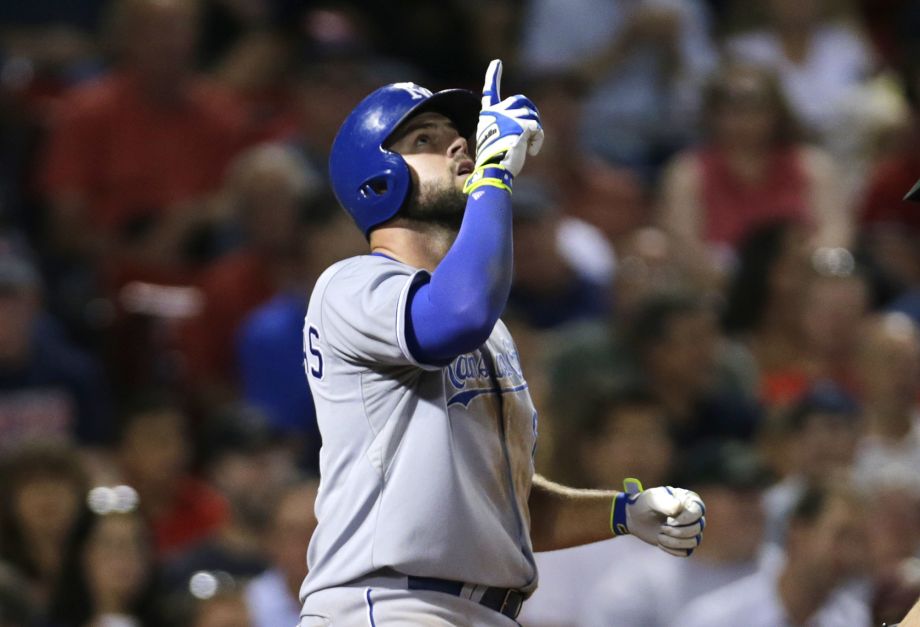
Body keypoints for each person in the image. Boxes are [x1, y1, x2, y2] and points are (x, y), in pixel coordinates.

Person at [299, 60, 706, 624]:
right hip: (388, 603)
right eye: (425, 140)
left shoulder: (490, 330)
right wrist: (493, 177)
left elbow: (505, 506)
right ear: (377, 179)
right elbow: (455, 313)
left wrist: (623, 512)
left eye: (461, 140)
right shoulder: (353, 286)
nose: (460, 150)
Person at [677, 483, 871, 627]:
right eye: (841, 536)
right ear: (798, 532)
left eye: (859, 541)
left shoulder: (854, 618)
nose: (850, 553)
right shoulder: (717, 619)